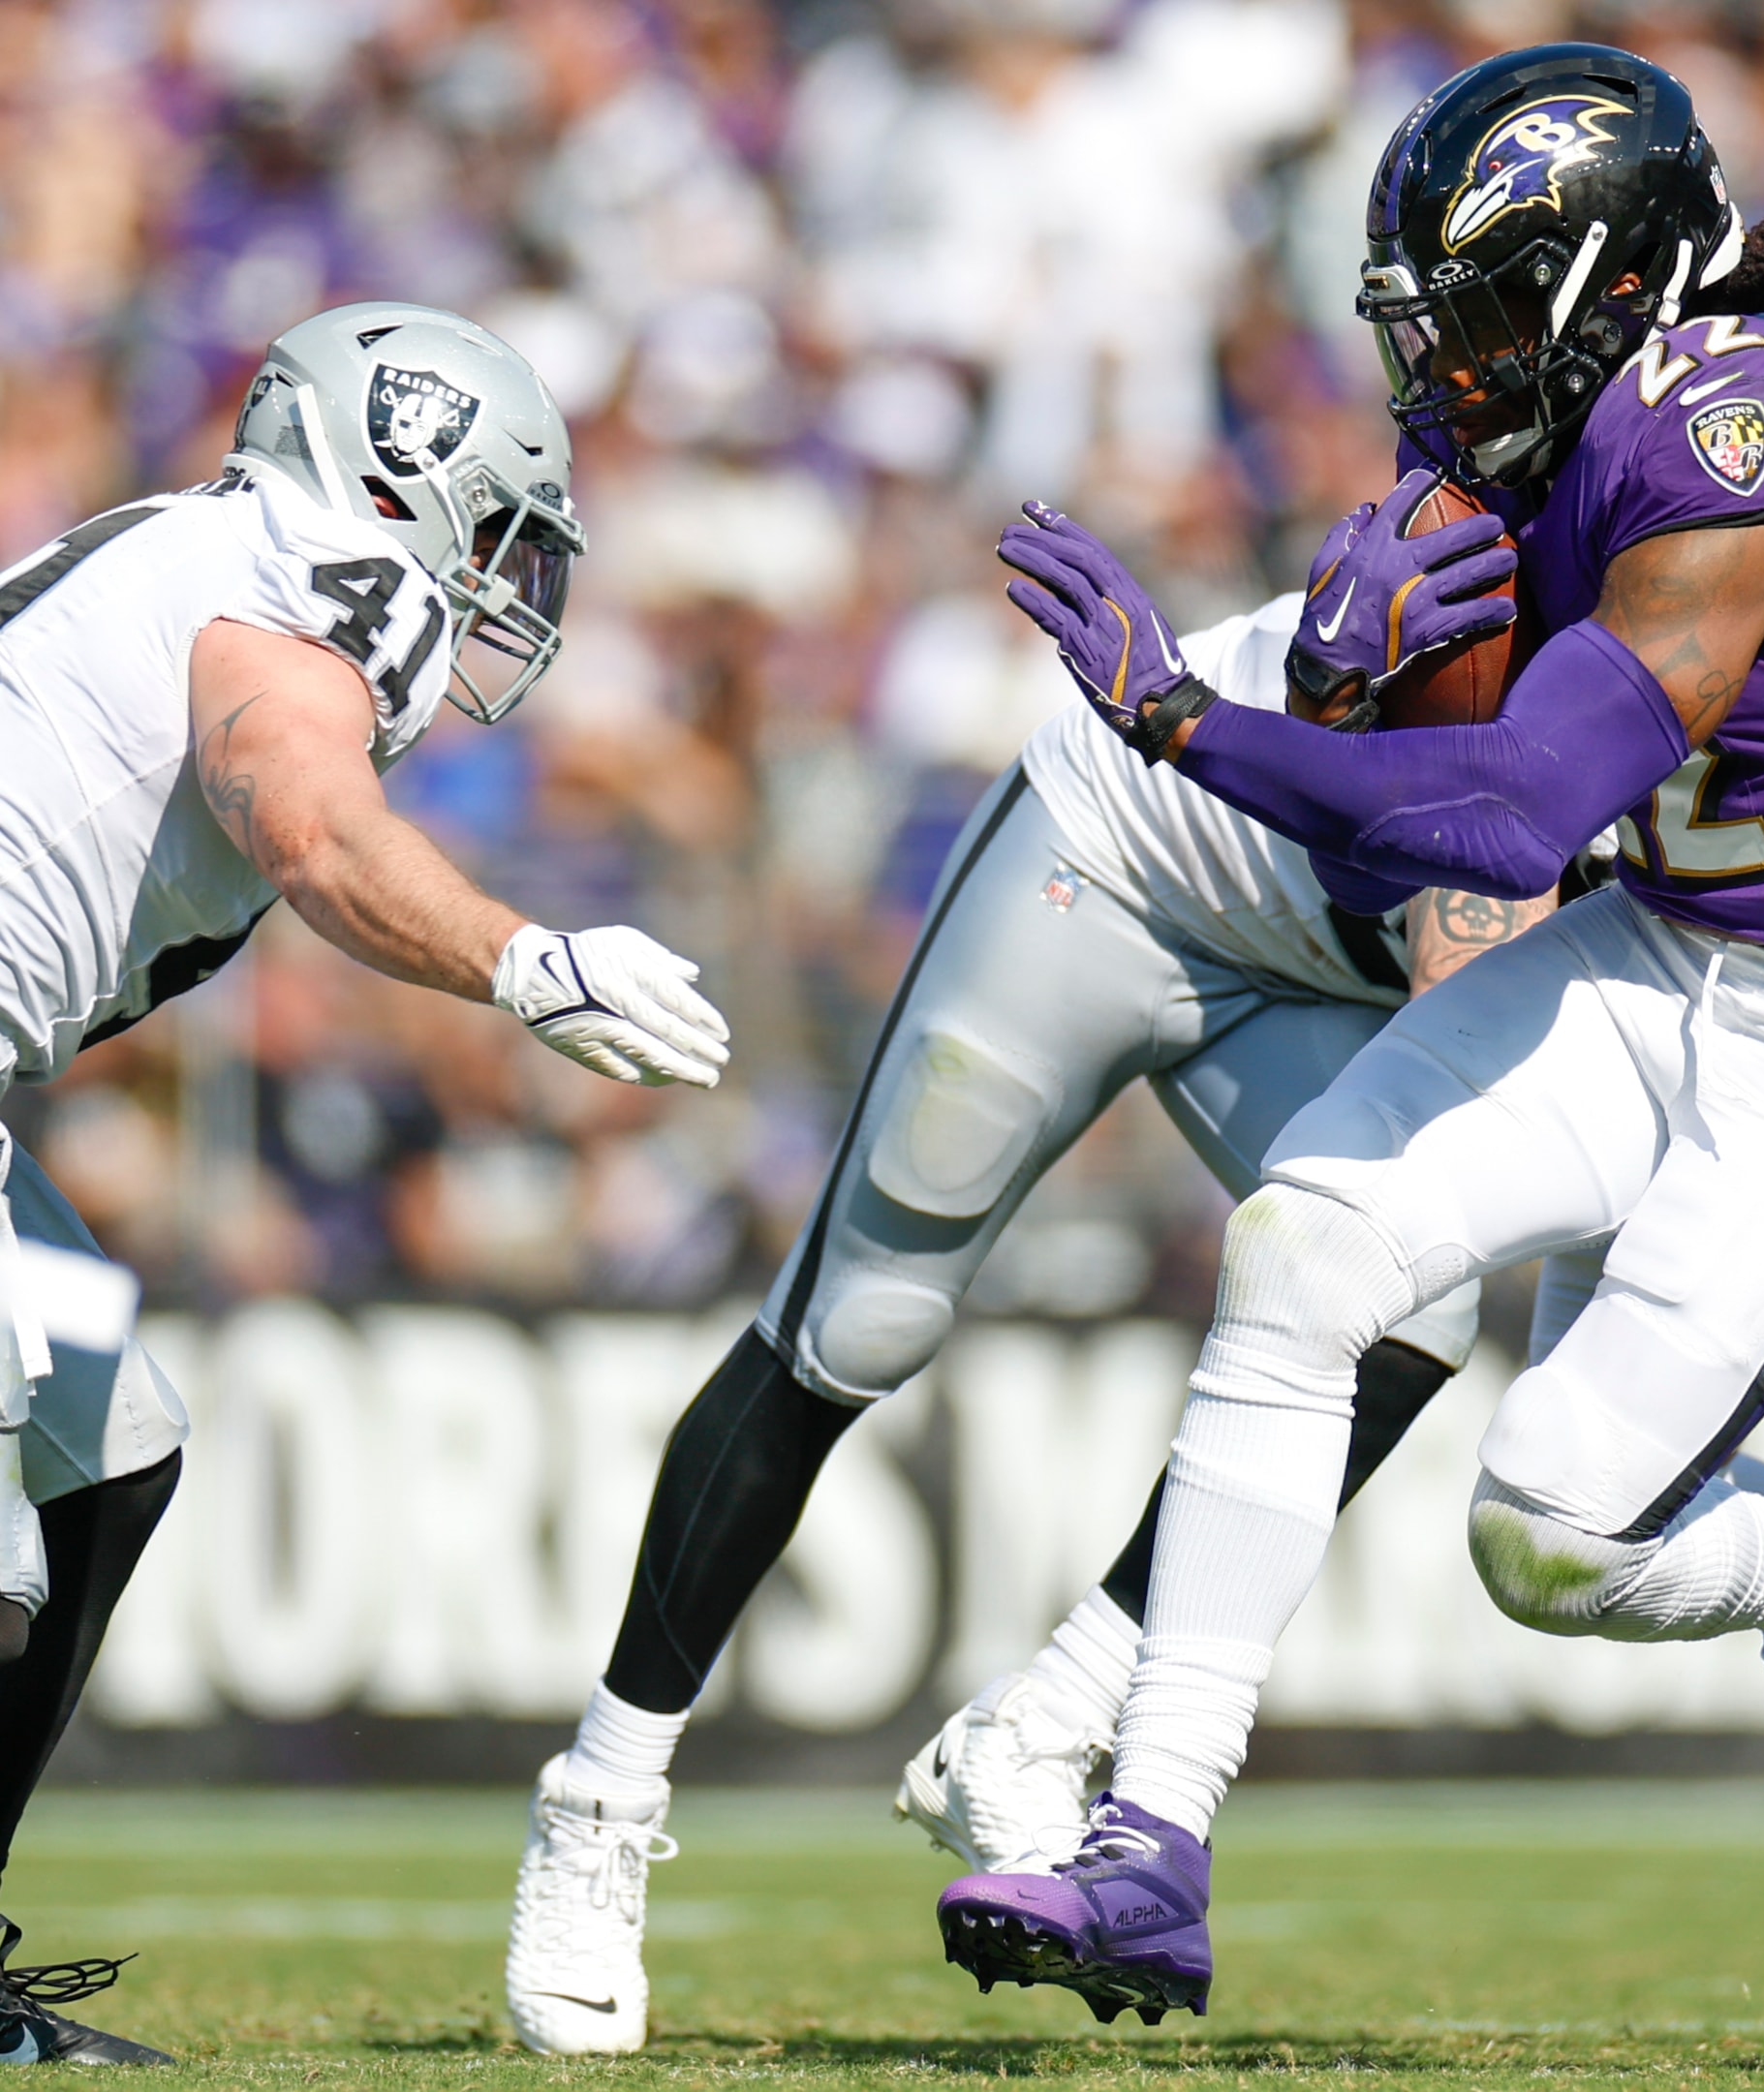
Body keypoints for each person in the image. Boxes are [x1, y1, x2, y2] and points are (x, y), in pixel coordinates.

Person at [937, 41, 1764, 2025]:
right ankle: (1152, 1846)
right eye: (1418, 316)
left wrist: (1190, 717)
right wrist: (1357, 690)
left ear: (1606, 289)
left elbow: (1511, 816)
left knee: (1545, 1538)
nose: (1435, 361)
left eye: (1465, 313)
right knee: (1301, 1248)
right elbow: (1475, 774)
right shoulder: (1582, 403)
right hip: (1669, 940)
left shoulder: (1735, 440)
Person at [498, 582, 1528, 2055]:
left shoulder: (1753, 721)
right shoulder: (1551, 639)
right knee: (859, 1324)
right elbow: (1484, 999)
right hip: (1112, 863)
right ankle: (599, 1800)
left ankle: (1040, 1721)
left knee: (1415, 1305)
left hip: (1303, 961)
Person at [0, 300, 721, 2064]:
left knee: (110, 1450)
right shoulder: (326, 576)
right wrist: (523, 959)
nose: (502, 588)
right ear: (397, 477)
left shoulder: (185, 549)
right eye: (496, 529)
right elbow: (302, 815)